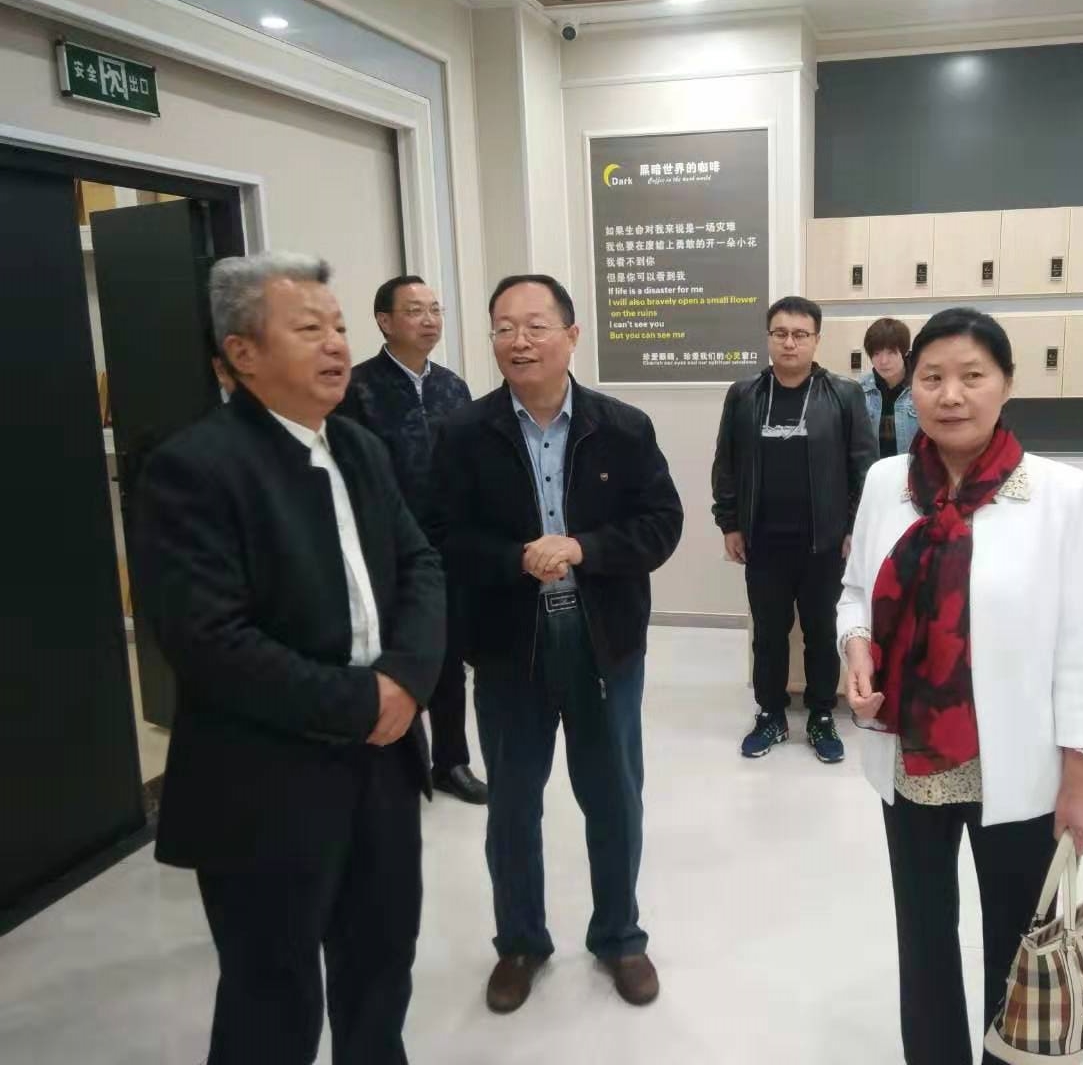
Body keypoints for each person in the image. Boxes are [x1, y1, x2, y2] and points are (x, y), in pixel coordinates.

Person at [134, 253, 445, 1065]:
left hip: (382, 763)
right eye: (309, 329)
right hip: (264, 781)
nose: (337, 343)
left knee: (381, 967)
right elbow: (210, 642)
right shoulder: (193, 468)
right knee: (272, 999)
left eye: (338, 326)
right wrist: (363, 702)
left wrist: (408, 680)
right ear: (242, 354)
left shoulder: (359, 448)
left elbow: (420, 564)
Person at [837, 307, 1083, 1065]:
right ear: (912, 388)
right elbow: (854, 592)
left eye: (971, 376)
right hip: (912, 759)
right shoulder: (887, 481)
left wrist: (1082, 778)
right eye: (932, 378)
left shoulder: (1059, 494)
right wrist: (854, 645)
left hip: (1015, 765)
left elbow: (1081, 645)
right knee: (923, 936)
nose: (950, 395)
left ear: (1006, 385)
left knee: (1018, 941)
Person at [431, 273, 683, 1014]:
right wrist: (515, 559)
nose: (519, 341)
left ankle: (620, 937)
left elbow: (660, 525)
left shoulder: (623, 428)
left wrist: (583, 548)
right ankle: (520, 942)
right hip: (510, 646)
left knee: (614, 797)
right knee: (513, 804)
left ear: (572, 336)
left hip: (604, 643)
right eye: (504, 327)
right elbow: (440, 537)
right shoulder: (463, 434)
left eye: (536, 325)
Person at [336, 275, 486, 805]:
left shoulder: (452, 387)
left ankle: (451, 761)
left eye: (435, 310)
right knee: (389, 658)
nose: (430, 320)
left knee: (447, 657)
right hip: (383, 548)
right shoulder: (356, 389)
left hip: (447, 544)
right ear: (384, 321)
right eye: (415, 310)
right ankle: (393, 766)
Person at [711, 296, 878, 765]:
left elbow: (863, 468)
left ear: (816, 340)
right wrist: (729, 523)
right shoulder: (744, 395)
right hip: (763, 541)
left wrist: (854, 529)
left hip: (825, 543)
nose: (789, 342)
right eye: (780, 333)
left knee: (822, 634)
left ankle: (822, 714)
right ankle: (771, 714)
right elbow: (726, 464)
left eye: (800, 334)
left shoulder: (843, 395)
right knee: (768, 634)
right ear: (769, 338)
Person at [858, 317, 919, 457]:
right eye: (876, 354)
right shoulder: (860, 390)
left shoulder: (920, 388)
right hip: (874, 468)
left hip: (912, 467)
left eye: (891, 353)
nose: (883, 361)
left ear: (904, 352)